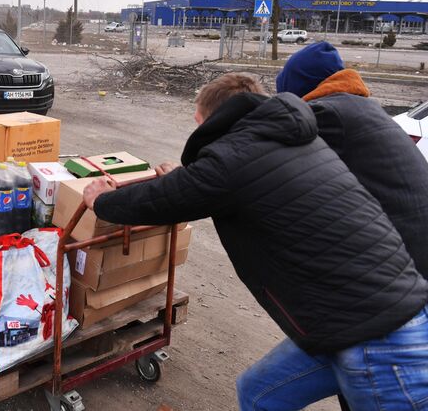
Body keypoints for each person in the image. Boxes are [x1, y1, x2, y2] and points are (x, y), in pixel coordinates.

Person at [82, 73, 428, 410]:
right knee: (261, 394)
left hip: (382, 342)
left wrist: (100, 200)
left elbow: (164, 200)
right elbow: (211, 184)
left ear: (206, 120)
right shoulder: (293, 139)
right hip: (352, 323)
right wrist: (187, 178)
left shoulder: (233, 159)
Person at [277, 41, 428, 280]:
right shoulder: (361, 107)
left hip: (404, 256)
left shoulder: (326, 114)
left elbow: (280, 166)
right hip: (413, 241)